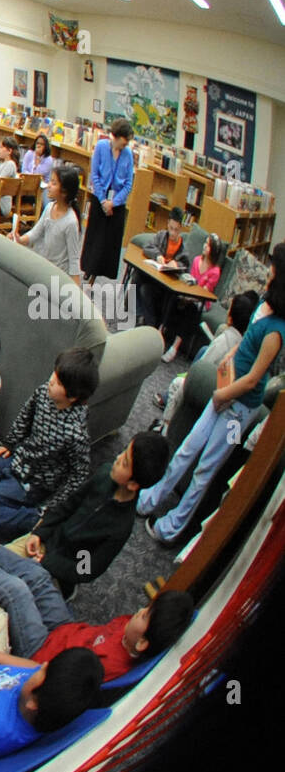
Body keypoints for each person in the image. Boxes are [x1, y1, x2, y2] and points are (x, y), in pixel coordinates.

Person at [140, 245, 285, 545]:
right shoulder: (265, 305)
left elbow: (254, 379)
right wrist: (228, 363)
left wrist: (223, 397)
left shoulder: (278, 331)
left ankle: (172, 527)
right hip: (225, 390)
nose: (268, 270)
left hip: (240, 410)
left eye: (273, 267)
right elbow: (246, 343)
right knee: (188, 449)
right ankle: (150, 499)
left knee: (207, 467)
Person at [0, 515, 195, 678]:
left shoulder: (104, 668)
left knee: (17, 592)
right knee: (39, 577)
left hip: (38, 652)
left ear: (142, 644)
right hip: (65, 629)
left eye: (146, 615)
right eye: (146, 608)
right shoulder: (130, 628)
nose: (139, 612)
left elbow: (41, 673)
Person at [0, 346, 98, 543]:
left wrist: (49, 509)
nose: (51, 380)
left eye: (58, 382)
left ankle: (31, 519)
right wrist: (9, 445)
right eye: (55, 373)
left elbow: (79, 475)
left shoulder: (76, 433)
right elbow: (26, 416)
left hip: (31, 484)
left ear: (73, 396)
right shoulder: (44, 392)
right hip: (16, 459)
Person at [8, 432, 170, 596]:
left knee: (12, 592)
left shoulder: (120, 527)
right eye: (123, 451)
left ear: (133, 484)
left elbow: (85, 568)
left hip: (60, 572)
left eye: (125, 463)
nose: (118, 458)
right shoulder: (104, 475)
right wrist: (39, 533)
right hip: (46, 542)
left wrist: (48, 562)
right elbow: (67, 506)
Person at [156, 292, 254, 436]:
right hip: (223, 389)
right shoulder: (242, 343)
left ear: (230, 316)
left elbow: (202, 370)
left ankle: (165, 428)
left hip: (211, 388)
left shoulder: (223, 340)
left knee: (177, 384)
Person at [80, 118, 134, 283]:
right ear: (115, 137)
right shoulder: (102, 147)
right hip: (100, 199)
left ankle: (101, 272)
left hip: (116, 204)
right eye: (122, 143)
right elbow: (95, 174)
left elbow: (128, 183)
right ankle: (89, 268)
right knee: (94, 236)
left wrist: (114, 202)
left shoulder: (128, 154)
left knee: (109, 241)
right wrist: (104, 200)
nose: (124, 147)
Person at [159, 233, 225, 363]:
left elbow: (204, 292)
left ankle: (174, 347)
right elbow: (189, 280)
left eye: (208, 245)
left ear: (213, 251)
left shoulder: (215, 272)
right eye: (205, 243)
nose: (204, 246)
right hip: (187, 293)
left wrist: (189, 299)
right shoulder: (196, 260)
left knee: (191, 310)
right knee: (173, 299)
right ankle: (160, 332)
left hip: (200, 301)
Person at [14, 164, 83, 284]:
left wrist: (75, 289)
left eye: (54, 183)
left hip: (58, 276)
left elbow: (74, 259)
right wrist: (19, 239)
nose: (49, 186)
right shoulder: (50, 207)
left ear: (64, 192)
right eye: (50, 181)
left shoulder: (71, 222)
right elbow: (35, 233)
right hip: (45, 268)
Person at [135, 206, 190, 331]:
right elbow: (147, 247)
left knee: (145, 290)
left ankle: (151, 325)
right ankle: (139, 316)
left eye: (176, 230)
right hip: (154, 277)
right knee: (137, 275)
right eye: (171, 228)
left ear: (181, 228)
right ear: (167, 224)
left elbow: (186, 266)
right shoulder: (161, 236)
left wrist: (176, 265)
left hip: (166, 287)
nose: (173, 233)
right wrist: (158, 255)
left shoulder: (183, 248)